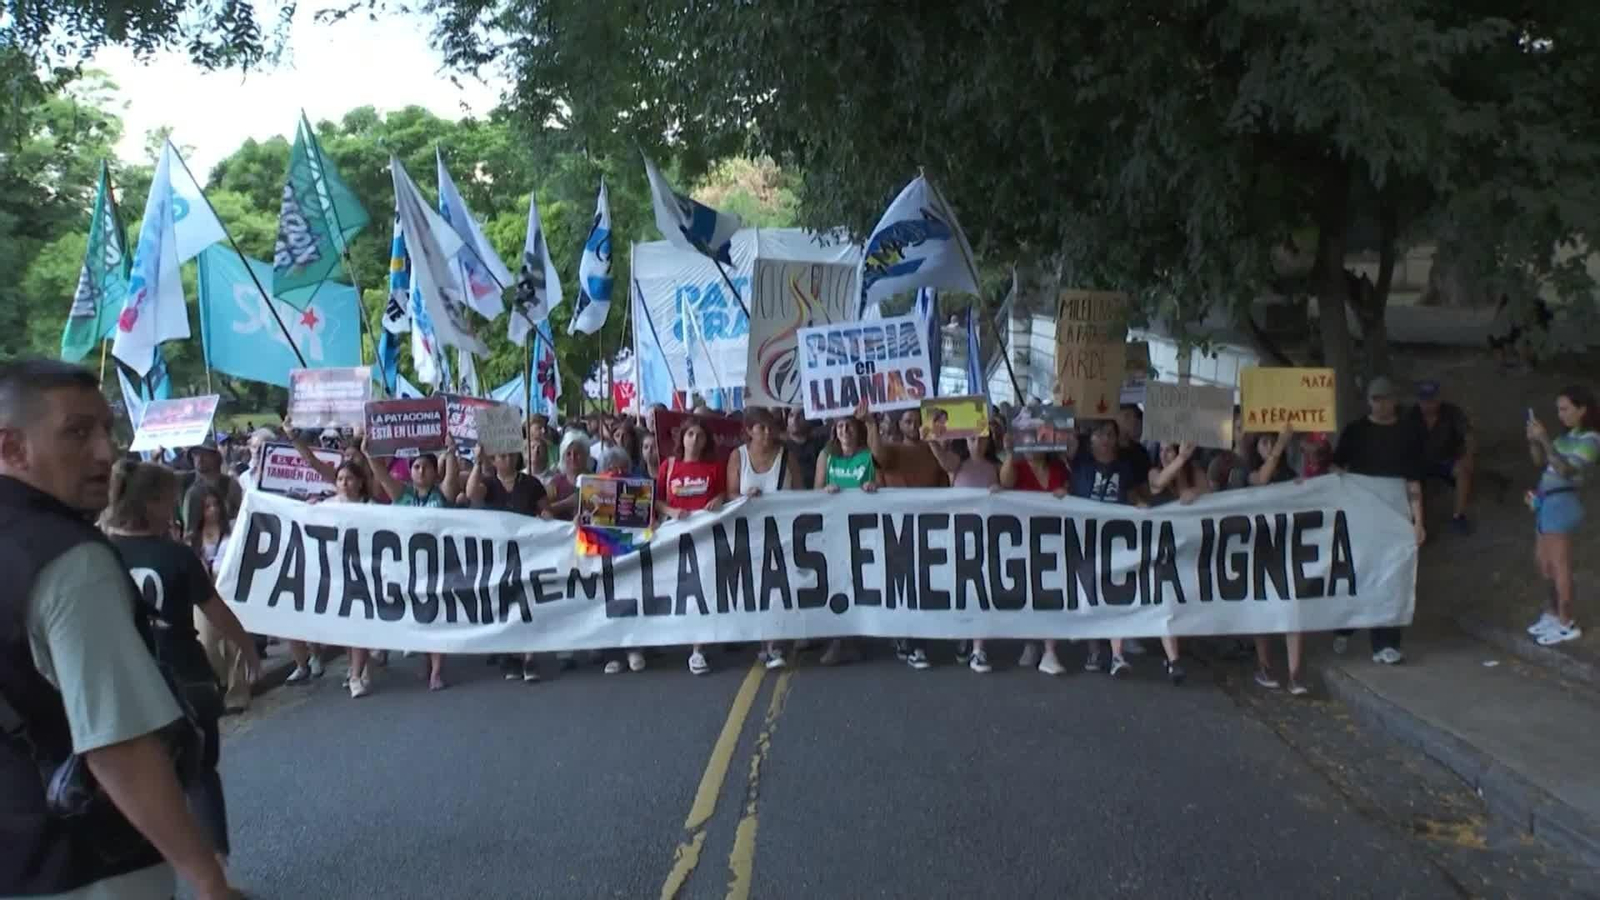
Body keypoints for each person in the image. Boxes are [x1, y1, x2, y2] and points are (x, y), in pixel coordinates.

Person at [0, 359, 242, 899]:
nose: (106, 454)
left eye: (106, 429)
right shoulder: (69, 561)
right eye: (77, 433)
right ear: (12, 447)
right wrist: (208, 879)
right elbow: (118, 745)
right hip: (91, 865)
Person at [105, 461, 262, 878]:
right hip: (187, 675)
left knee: (140, 780)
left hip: (130, 680)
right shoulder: (175, 555)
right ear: (152, 502)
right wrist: (247, 648)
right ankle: (215, 869)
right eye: (171, 501)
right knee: (200, 774)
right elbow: (216, 611)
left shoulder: (100, 550)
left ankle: (154, 866)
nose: (176, 510)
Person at [1331, 376, 1427, 664]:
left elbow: (1414, 482)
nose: (1379, 404)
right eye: (1375, 398)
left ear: (1394, 400)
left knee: (1392, 575)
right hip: (1362, 514)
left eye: (1384, 398)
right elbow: (1337, 466)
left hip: (1396, 512)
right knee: (1360, 570)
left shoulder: (1409, 433)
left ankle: (1386, 643)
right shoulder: (1356, 431)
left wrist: (1418, 521)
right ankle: (1346, 624)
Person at [360, 437, 464, 690]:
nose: (421, 471)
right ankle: (427, 662)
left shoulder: (443, 493)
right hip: (408, 567)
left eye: (426, 467)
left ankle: (436, 671)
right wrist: (368, 452)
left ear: (433, 471)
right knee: (417, 617)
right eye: (416, 467)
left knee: (436, 616)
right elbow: (381, 475)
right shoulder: (402, 494)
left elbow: (451, 476)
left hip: (438, 566)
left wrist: (450, 452)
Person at [857, 401, 947, 669]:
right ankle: (905, 637)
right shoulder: (893, 451)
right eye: (908, 421)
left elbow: (948, 476)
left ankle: (917, 641)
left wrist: (933, 441)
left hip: (928, 529)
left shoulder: (934, 451)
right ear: (900, 425)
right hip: (897, 528)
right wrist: (870, 424)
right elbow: (879, 457)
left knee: (924, 584)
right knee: (902, 585)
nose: (913, 426)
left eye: (917, 421)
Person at [1069, 419, 1147, 676]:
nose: (1105, 438)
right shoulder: (1080, 464)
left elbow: (1132, 493)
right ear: (1090, 439)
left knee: (1116, 591)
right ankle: (1094, 650)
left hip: (1115, 537)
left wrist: (1139, 504)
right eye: (1099, 433)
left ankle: (1117, 654)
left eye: (1110, 434)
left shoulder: (1124, 467)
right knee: (1090, 592)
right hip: (1086, 537)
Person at [1525, 386, 1600, 646]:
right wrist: (1534, 441)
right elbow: (1540, 462)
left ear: (1583, 410)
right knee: (1544, 563)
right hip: (1545, 503)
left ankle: (1567, 622)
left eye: (1566, 409)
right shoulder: (1564, 438)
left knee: (1559, 565)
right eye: (1558, 409)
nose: (1561, 414)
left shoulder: (1590, 439)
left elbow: (1566, 470)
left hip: (1564, 505)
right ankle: (1553, 612)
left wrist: (1544, 440)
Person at [467, 449, 549, 682]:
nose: (507, 459)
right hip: (498, 555)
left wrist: (545, 514)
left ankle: (530, 656)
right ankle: (511, 654)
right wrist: (477, 461)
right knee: (504, 601)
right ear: (493, 460)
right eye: (501, 456)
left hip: (527, 551)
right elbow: (472, 494)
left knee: (527, 600)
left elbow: (546, 509)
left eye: (511, 455)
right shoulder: (489, 484)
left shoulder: (531, 483)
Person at [728, 408, 800, 668]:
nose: (767, 433)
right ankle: (765, 642)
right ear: (749, 431)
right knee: (759, 588)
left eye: (770, 427)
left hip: (784, 534)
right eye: (761, 428)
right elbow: (730, 494)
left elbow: (802, 493)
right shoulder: (738, 457)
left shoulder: (787, 455)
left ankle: (775, 644)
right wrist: (745, 497)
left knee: (779, 587)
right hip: (751, 534)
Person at [655, 417, 726, 675]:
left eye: (700, 436)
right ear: (681, 438)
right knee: (678, 588)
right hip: (676, 537)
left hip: (706, 537)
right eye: (690, 435)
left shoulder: (714, 468)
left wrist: (718, 499)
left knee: (702, 587)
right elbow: (657, 500)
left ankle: (698, 649)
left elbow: (724, 495)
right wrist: (672, 511)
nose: (694, 440)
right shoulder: (669, 466)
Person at [930, 430, 1002, 672]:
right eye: (972, 438)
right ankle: (965, 637)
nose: (977, 443)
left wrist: (1001, 492)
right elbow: (941, 457)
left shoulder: (996, 466)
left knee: (981, 590)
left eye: (982, 438)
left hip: (985, 536)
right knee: (961, 589)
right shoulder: (957, 464)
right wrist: (931, 437)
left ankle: (978, 649)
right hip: (959, 536)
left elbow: (1008, 488)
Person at [998, 447, 1072, 674]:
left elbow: (1070, 494)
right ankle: (1030, 643)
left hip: (1053, 539)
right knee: (1028, 592)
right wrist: (1011, 453)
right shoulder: (1017, 467)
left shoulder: (1058, 468)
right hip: (1024, 540)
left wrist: (1065, 493)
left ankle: (1050, 651)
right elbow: (1006, 482)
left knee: (1050, 591)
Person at [815, 416, 879, 666]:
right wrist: (825, 491)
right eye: (840, 426)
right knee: (838, 582)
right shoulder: (827, 456)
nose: (845, 430)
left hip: (865, 528)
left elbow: (881, 484)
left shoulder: (868, 455)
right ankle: (839, 640)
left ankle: (857, 637)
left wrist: (873, 487)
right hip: (834, 528)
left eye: (849, 425)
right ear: (834, 431)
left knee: (861, 582)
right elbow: (815, 491)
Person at [184, 482, 254, 713]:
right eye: (206, 507)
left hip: (232, 592)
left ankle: (237, 696)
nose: (212, 510)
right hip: (205, 594)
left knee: (236, 645)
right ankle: (222, 681)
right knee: (208, 644)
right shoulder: (192, 538)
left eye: (215, 504)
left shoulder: (232, 530)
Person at [1407, 380, 1475, 534]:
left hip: (1447, 460)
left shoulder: (1452, 412)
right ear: (1418, 400)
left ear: (1439, 399)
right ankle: (1415, 521)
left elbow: (1468, 436)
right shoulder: (1411, 416)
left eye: (1432, 399)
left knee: (1463, 469)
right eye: (1424, 400)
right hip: (1420, 463)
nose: (1428, 404)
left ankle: (1459, 516)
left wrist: (1468, 456)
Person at [180, 438, 242, 534]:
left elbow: (241, 515)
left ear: (216, 457)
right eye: (196, 454)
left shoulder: (230, 484)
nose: (199, 458)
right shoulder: (184, 480)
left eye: (205, 454)